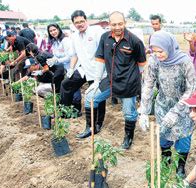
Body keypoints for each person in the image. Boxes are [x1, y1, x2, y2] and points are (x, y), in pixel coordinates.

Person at [138, 31, 196, 177]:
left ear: (169, 47)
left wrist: (176, 111)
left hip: (183, 107)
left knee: (183, 138)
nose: (158, 55)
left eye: (161, 51)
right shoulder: (153, 61)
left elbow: (192, 89)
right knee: (163, 136)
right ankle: (166, 160)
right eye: (154, 51)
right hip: (163, 106)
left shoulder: (184, 62)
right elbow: (148, 85)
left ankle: (181, 167)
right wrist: (144, 111)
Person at [95, 11, 146, 149]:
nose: (117, 27)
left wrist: (133, 77)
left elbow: (141, 64)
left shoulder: (134, 41)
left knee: (129, 112)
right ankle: (93, 126)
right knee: (93, 98)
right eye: (114, 24)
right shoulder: (105, 38)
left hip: (128, 83)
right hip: (110, 80)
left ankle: (128, 138)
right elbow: (100, 59)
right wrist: (96, 80)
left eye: (120, 24)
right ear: (109, 24)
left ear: (125, 23)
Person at [59, 10, 108, 138]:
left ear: (86, 21)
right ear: (73, 24)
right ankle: (67, 110)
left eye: (82, 21)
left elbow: (105, 52)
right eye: (77, 22)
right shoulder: (74, 36)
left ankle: (96, 125)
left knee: (97, 98)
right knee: (66, 84)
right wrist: (71, 68)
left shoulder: (96, 32)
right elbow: (74, 55)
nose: (80, 24)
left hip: (99, 71)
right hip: (84, 69)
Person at [46, 23, 82, 114]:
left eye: (54, 30)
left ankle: (77, 109)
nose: (53, 32)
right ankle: (71, 107)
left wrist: (57, 61)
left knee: (74, 86)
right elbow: (56, 55)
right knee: (70, 86)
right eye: (51, 31)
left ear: (58, 29)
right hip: (67, 68)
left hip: (74, 67)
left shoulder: (65, 40)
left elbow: (70, 56)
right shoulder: (54, 42)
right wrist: (53, 59)